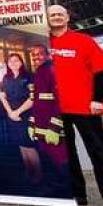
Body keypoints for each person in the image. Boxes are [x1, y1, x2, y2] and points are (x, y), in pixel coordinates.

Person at [48, 4, 103, 206]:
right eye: (52, 15)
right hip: (57, 108)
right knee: (66, 152)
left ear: (67, 17)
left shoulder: (83, 41)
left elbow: (100, 70)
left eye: (59, 14)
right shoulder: (43, 44)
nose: (56, 18)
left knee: (98, 151)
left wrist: (97, 99)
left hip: (84, 106)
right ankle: (77, 194)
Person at [28, 44, 70, 193]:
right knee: (47, 160)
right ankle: (53, 188)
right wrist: (32, 123)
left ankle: (66, 190)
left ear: (48, 55)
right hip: (40, 127)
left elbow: (61, 101)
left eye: (39, 54)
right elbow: (37, 101)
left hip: (51, 128)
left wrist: (55, 127)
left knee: (60, 160)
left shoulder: (52, 71)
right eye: (33, 55)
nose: (36, 57)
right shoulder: (39, 72)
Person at [0, 53, 43, 185]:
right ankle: (29, 172)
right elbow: (3, 97)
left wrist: (18, 112)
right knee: (21, 146)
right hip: (12, 115)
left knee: (29, 145)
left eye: (16, 60)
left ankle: (38, 175)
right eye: (10, 61)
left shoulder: (29, 77)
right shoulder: (6, 78)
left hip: (26, 115)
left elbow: (32, 98)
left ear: (21, 62)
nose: (13, 63)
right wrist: (10, 112)